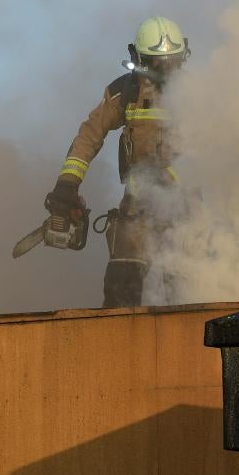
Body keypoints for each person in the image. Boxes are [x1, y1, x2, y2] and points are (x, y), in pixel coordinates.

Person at [46, 16, 190, 306]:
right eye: (157, 62)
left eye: (171, 62)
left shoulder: (201, 93)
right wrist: (68, 183)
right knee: (121, 287)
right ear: (137, 57)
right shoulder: (126, 91)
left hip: (185, 209)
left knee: (187, 291)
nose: (165, 70)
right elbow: (90, 133)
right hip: (137, 208)